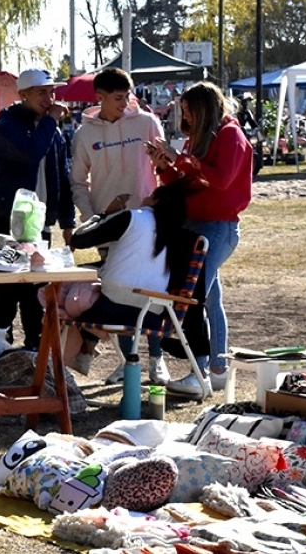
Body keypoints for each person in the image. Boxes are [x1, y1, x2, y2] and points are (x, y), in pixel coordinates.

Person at [146, 81, 252, 396]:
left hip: (218, 226)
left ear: (204, 109)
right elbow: (187, 185)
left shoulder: (231, 134)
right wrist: (165, 166)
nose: (185, 117)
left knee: (192, 300)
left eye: (190, 110)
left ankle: (199, 372)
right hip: (196, 224)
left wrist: (183, 160)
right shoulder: (199, 139)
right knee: (209, 298)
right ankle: (216, 369)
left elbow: (219, 181)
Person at [68, 67, 166, 382]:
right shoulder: (85, 134)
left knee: (152, 288)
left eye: (128, 96)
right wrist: (91, 218)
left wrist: (160, 197)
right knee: (120, 292)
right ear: (100, 97)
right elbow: (78, 183)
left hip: (149, 224)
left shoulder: (147, 123)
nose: (125, 103)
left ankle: (157, 359)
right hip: (109, 226)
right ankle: (130, 361)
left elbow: (165, 167)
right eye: (118, 98)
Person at [0, 69, 76, 351]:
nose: (49, 99)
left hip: (41, 223)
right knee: (8, 285)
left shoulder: (54, 131)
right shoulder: (8, 124)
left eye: (52, 92)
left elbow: (62, 176)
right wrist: (50, 121)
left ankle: (34, 348)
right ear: (23, 95)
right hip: (8, 219)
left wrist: (68, 222)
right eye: (42, 93)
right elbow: (30, 152)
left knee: (37, 288)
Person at [67, 181, 192, 379]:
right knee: (91, 294)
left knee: (68, 300)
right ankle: (86, 352)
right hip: (154, 315)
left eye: (150, 195)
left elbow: (78, 239)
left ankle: (79, 355)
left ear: (155, 200)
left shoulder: (132, 218)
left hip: (110, 310)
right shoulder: (179, 234)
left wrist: (106, 214)